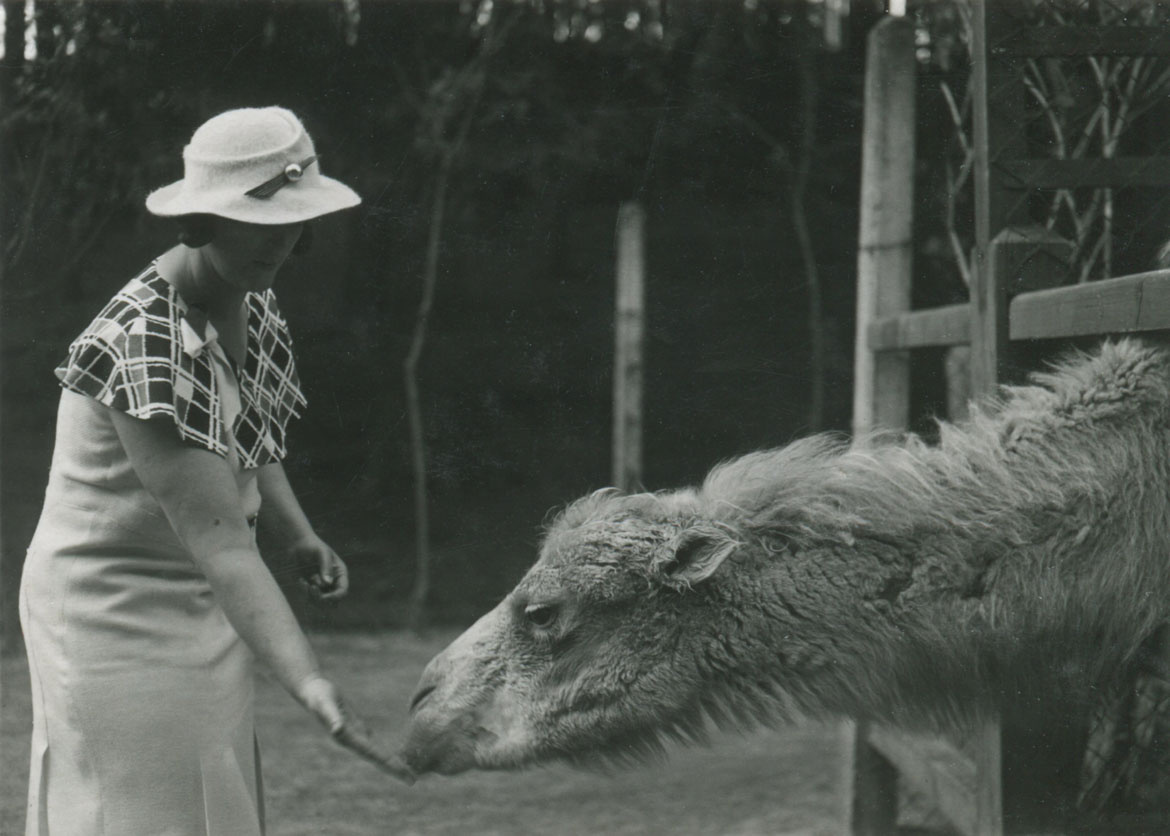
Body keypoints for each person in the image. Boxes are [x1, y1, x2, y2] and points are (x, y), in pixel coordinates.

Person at [18, 106, 410, 836]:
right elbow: (225, 546)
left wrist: (298, 533)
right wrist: (312, 682)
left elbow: (249, 442)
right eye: (257, 222)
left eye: (294, 222)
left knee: (212, 794)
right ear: (201, 218)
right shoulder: (147, 342)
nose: (279, 243)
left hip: (204, 595)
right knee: (140, 810)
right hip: (112, 607)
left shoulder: (250, 300)